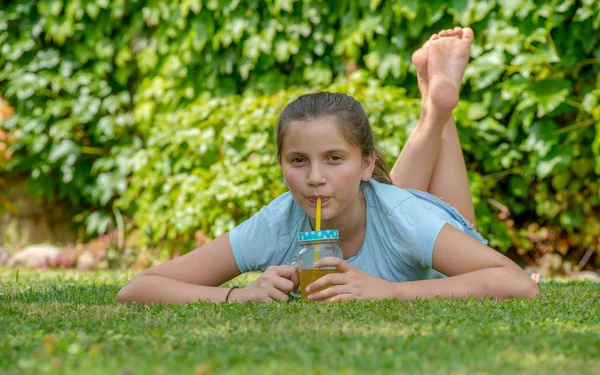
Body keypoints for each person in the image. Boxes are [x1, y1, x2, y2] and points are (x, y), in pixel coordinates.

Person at [117, 27, 539, 304]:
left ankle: (438, 113)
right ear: (281, 167)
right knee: (382, 204)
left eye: (333, 159)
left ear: (367, 161)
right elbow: (137, 290)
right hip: (382, 202)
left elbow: (516, 283)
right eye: (298, 161)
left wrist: (387, 292)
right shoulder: (280, 222)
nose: (314, 178)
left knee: (397, 210)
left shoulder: (406, 216)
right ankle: (434, 103)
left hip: (436, 223)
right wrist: (239, 297)